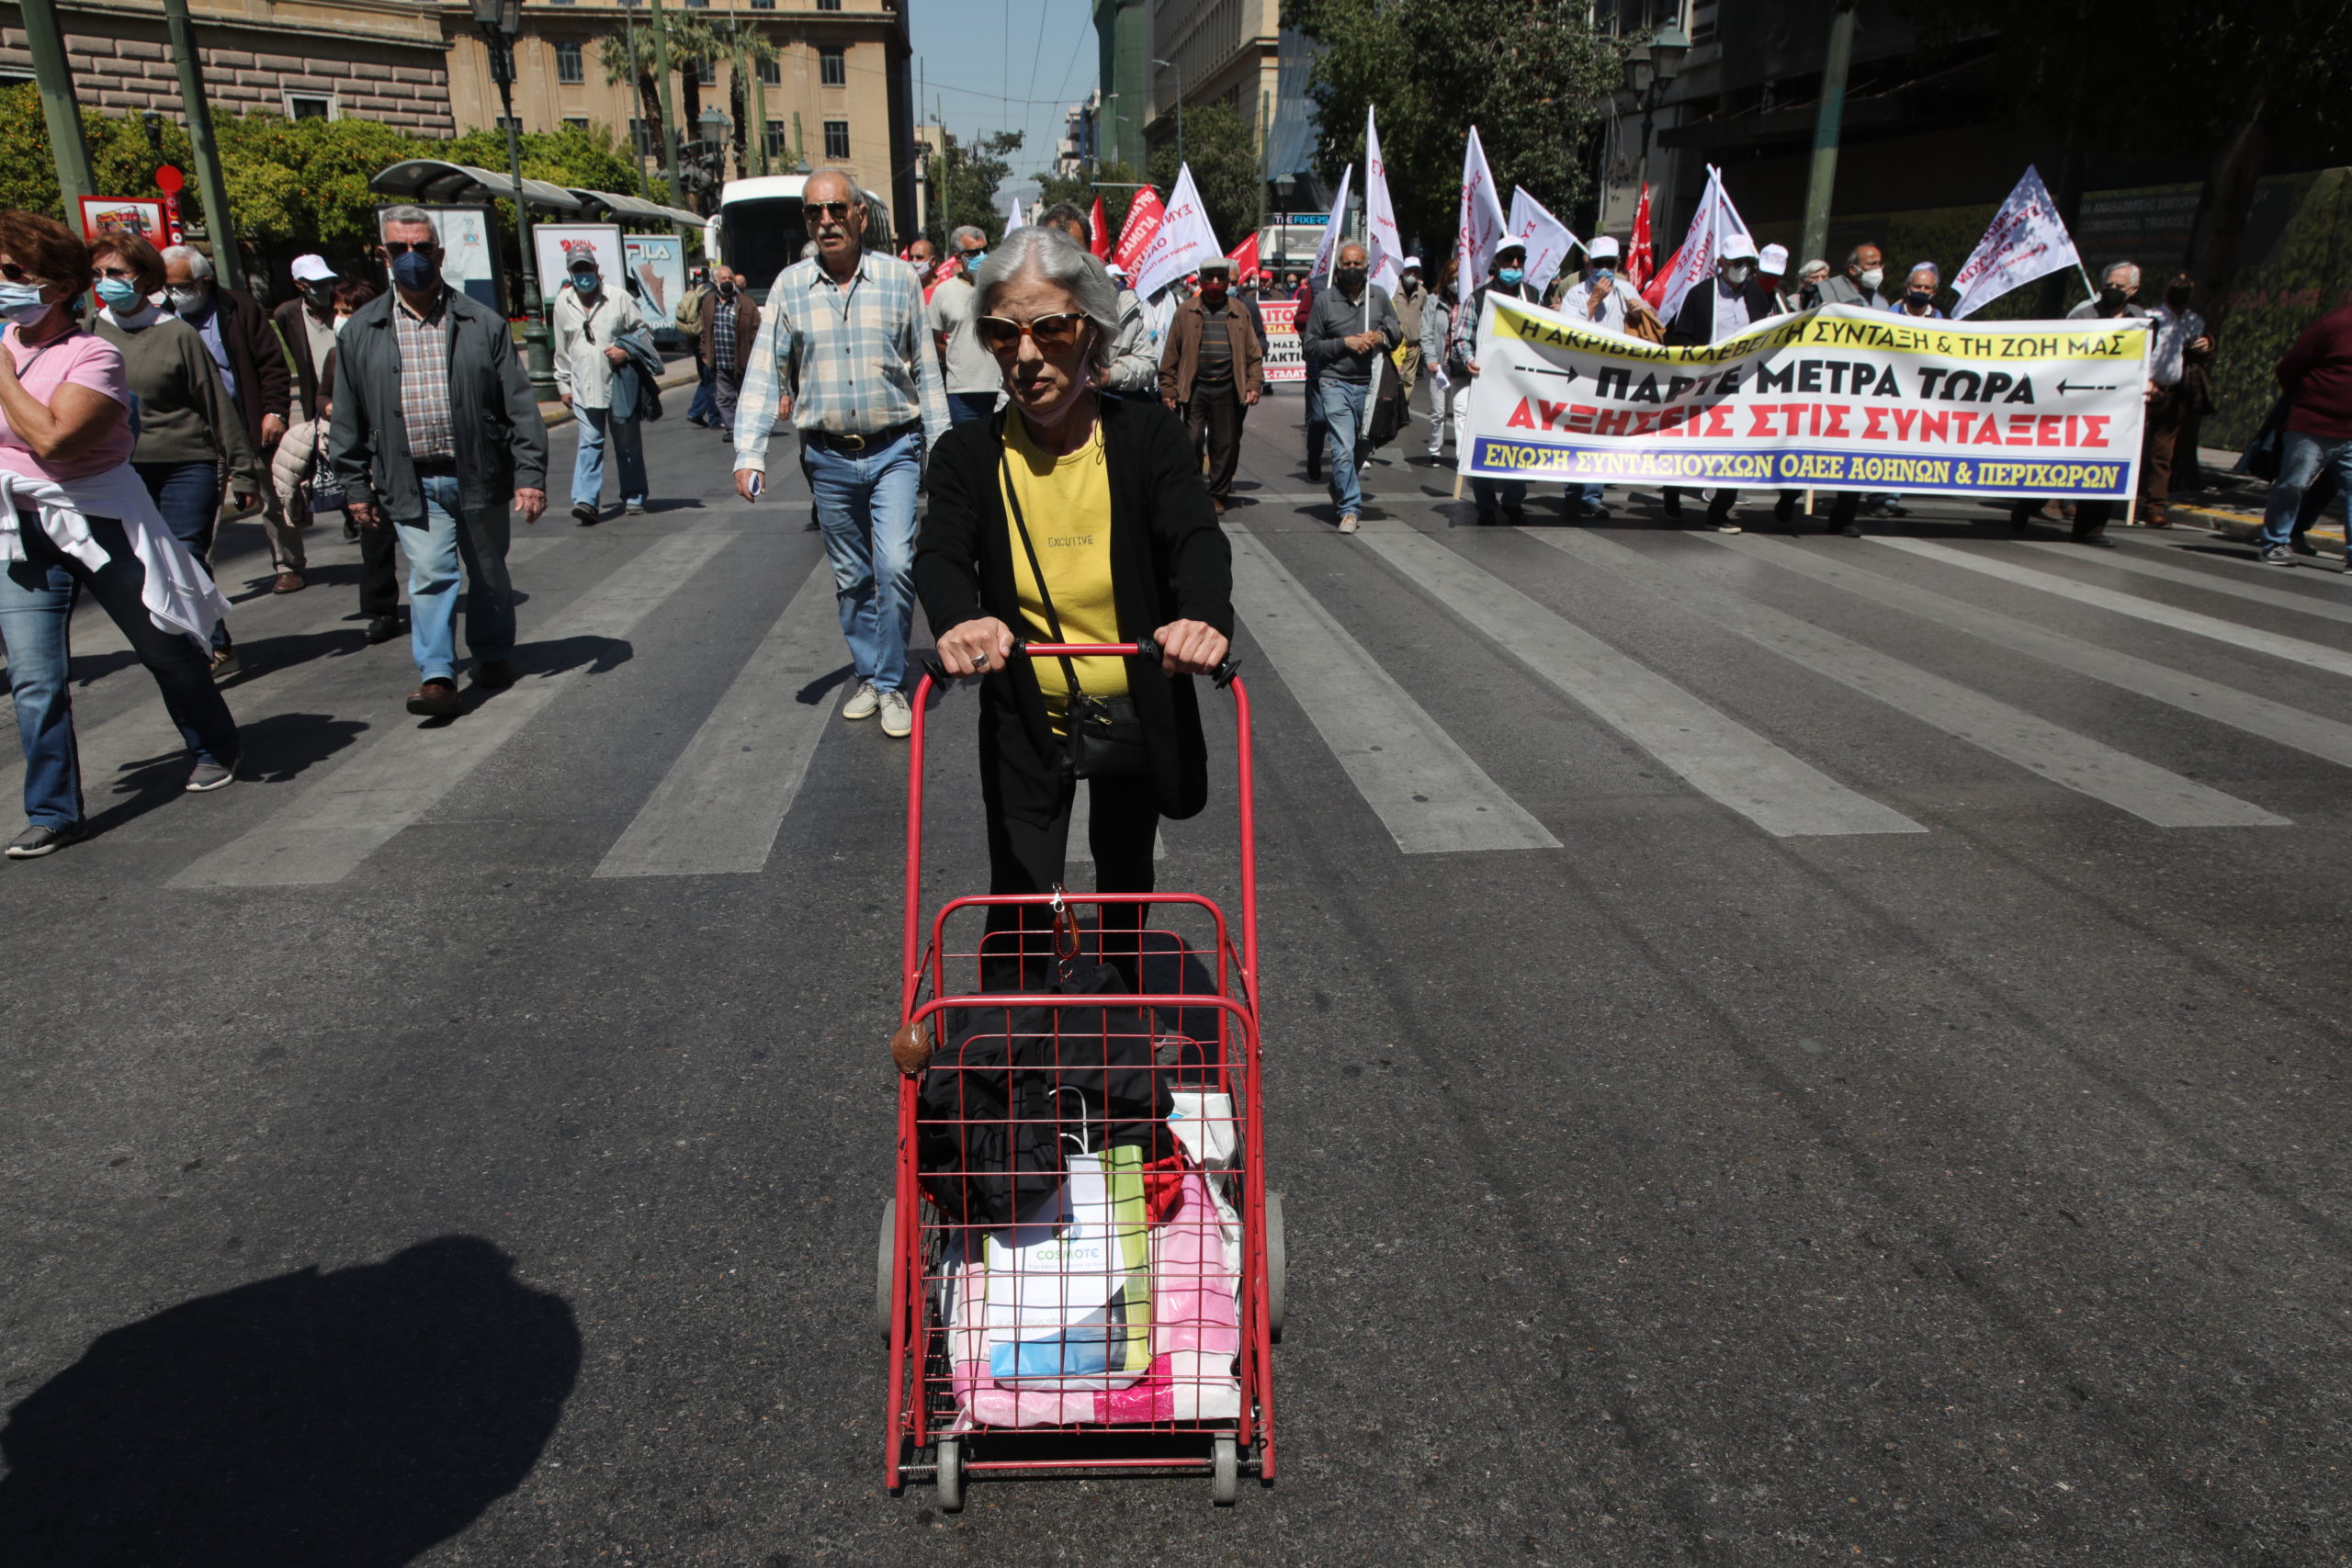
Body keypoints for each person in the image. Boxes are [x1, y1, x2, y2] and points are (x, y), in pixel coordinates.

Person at [915, 223, 1232, 991]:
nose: (1026, 356)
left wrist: (1201, 616)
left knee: (1125, 888)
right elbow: (942, 553)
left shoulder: (1148, 437)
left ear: (1088, 330)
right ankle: (1015, 1050)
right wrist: (961, 617)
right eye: (1002, 333)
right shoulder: (965, 455)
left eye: (1049, 329)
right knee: (1021, 897)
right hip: (1028, 712)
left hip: (1133, 704)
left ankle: (1113, 1036)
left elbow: (1195, 534)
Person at [0, 209, 240, 857]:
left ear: (55, 284)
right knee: (34, 677)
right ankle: (53, 810)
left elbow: (53, 437)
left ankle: (214, 742)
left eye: (10, 273)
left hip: (100, 520)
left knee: (162, 645)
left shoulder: (94, 355)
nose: (0, 285)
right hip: (21, 530)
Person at [730, 167, 949, 741]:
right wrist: (749, 452)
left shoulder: (900, 279)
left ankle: (894, 683)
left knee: (896, 566)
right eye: (813, 213)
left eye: (834, 210)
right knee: (852, 577)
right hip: (827, 459)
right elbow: (764, 372)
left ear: (858, 215)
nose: (824, 221)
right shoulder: (789, 287)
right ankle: (870, 676)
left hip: (895, 449)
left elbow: (926, 372)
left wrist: (946, 455)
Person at [329, 204, 548, 718]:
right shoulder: (361, 332)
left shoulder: (481, 322)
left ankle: (493, 652)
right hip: (410, 479)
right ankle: (437, 675)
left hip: (480, 474)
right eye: (400, 249)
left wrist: (530, 476)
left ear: (439, 253)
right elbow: (347, 417)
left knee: (489, 574)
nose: (412, 258)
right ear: (384, 255)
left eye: (421, 248)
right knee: (430, 574)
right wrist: (355, 487)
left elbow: (520, 405)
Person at [91, 231, 262, 676]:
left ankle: (203, 649)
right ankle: (203, 640)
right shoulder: (90, 333)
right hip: (121, 472)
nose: (105, 281)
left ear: (143, 278)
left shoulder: (179, 335)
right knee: (144, 567)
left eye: (115, 273)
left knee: (185, 552)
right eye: (98, 274)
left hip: (188, 464)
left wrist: (244, 472)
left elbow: (217, 407)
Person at [2012, 261, 2152, 547]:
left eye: (2119, 287)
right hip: (2074, 402)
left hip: (2113, 406)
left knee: (2104, 464)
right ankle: (2027, 504)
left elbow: (2144, 360)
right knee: (2056, 462)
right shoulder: (2083, 315)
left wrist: (2147, 383)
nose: (2111, 290)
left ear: (2134, 290)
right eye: (2108, 285)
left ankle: (2090, 530)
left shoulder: (2140, 320)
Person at [1663, 235, 1775, 534]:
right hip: (1704, 383)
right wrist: (1703, 357)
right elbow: (1681, 336)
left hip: (1742, 384)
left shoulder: (1757, 297)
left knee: (1735, 448)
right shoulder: (1700, 296)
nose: (1743, 269)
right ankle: (1672, 493)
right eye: (1737, 263)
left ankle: (1719, 510)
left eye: (1748, 264)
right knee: (1690, 446)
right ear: (1721, 263)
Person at [1303, 242, 1401, 535]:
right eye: (1347, 263)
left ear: (1367, 267)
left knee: (1362, 448)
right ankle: (1350, 509)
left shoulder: (1379, 297)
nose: (1353, 269)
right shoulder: (1324, 300)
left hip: (1371, 386)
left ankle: (1339, 485)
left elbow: (1397, 333)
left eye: (1358, 263)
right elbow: (1310, 346)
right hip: (1335, 383)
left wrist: (1380, 336)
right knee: (1342, 449)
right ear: (1339, 267)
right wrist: (1344, 343)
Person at [1159, 254, 1263, 513]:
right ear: (1202, 280)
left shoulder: (1239, 311)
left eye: (1220, 277)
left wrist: (1254, 383)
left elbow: (1253, 352)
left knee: (1225, 443)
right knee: (1192, 440)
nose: (1215, 282)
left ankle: (1217, 493)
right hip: (1195, 389)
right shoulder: (1186, 311)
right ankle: (1194, 491)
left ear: (1228, 280)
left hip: (1228, 388)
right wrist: (1168, 387)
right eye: (1210, 277)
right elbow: (1171, 351)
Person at [552, 247, 650, 525]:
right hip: (583, 385)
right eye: (578, 270)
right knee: (589, 442)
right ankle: (585, 500)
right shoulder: (563, 302)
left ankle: (634, 494)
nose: (584, 274)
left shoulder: (619, 298)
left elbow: (643, 333)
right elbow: (562, 347)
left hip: (619, 383)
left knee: (627, 444)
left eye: (587, 268)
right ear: (571, 273)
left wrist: (626, 351)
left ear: (597, 270)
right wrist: (563, 383)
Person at [263, 253, 340, 592]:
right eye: (316, 284)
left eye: (327, 282)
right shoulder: (286, 315)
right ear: (300, 285)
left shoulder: (346, 307)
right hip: (319, 404)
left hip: (354, 399)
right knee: (291, 475)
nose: (324, 289)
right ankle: (289, 563)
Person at [2256, 295, 2352, 567]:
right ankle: (2275, 543)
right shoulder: (2332, 326)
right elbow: (2289, 368)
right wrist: (2311, 400)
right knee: (2293, 485)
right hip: (2312, 428)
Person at [1455, 239, 1544, 525]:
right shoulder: (1479, 298)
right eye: (1509, 259)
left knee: (1519, 445)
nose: (1515, 265)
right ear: (1497, 263)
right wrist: (1469, 359)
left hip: (1522, 387)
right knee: (1485, 444)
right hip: (1488, 386)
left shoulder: (1533, 296)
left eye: (1520, 259)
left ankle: (1514, 501)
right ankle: (1486, 504)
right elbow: (1462, 337)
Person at [2142, 273, 2212, 529]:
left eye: (2186, 290)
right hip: (2145, 389)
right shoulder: (2151, 318)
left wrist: (2207, 344)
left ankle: (2154, 507)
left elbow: (2200, 353)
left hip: (2174, 393)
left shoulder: (2194, 321)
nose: (2180, 293)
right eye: (2177, 288)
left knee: (2162, 454)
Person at [928, 224, 1001, 426]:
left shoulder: (998, 289)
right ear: (958, 257)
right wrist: (955, 358)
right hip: (961, 395)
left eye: (985, 250)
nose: (982, 256)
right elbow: (933, 341)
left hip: (1000, 390)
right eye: (974, 252)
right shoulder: (943, 292)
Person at [702, 265, 759, 440]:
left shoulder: (746, 303)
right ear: (715, 282)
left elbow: (756, 329)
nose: (727, 282)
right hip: (720, 362)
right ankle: (733, 429)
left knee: (746, 398)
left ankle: (748, 429)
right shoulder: (709, 302)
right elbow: (704, 330)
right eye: (723, 279)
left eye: (730, 279)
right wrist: (704, 353)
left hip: (743, 359)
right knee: (724, 399)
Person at [1422, 260, 1457, 465]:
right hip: (1440, 366)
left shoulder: (1469, 300)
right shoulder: (1434, 301)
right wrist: (1430, 359)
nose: (1455, 283)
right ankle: (1435, 450)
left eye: (1458, 278)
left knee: (1462, 413)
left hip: (1461, 366)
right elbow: (1426, 331)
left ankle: (1463, 454)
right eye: (1452, 279)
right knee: (1438, 412)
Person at [673, 266, 718, 428]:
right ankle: (714, 417)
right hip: (704, 341)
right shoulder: (710, 293)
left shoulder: (698, 290)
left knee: (706, 378)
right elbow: (709, 322)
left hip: (694, 339)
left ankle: (696, 411)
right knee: (712, 378)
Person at [1392, 255, 1428, 423]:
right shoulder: (1393, 289)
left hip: (1414, 344)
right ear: (1403, 271)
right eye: (1409, 271)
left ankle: (1402, 410)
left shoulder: (1422, 293)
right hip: (1395, 345)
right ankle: (1392, 408)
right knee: (1393, 378)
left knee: (1408, 380)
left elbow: (1426, 316)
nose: (1412, 274)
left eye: (1416, 271)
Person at [1816, 243, 1890, 310]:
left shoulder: (1881, 303)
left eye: (1879, 263)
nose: (1878, 268)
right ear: (1853, 270)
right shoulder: (1825, 292)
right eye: (1872, 264)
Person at [1758, 243, 1793, 311]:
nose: (1770, 278)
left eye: (1775, 275)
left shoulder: (1780, 298)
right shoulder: (1744, 293)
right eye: (1766, 274)